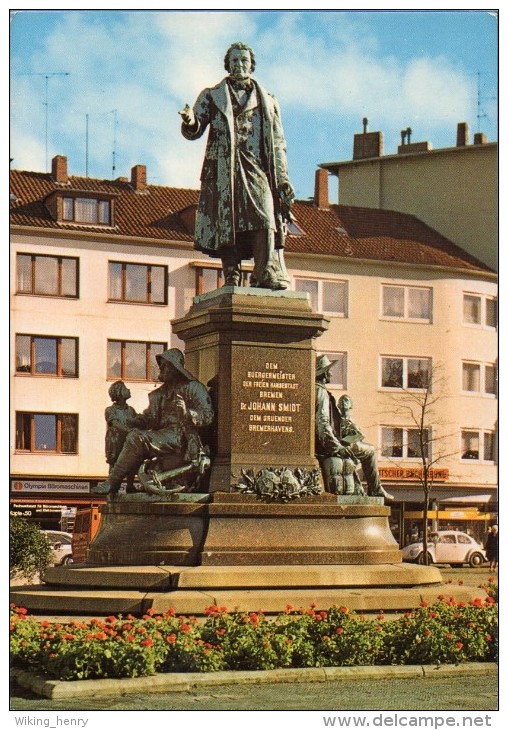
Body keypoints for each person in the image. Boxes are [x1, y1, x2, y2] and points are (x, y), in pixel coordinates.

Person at [180, 41, 294, 290]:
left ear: (251, 65)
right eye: (234, 61)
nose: (239, 65)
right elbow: (195, 128)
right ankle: (231, 273)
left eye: (244, 61)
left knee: (265, 220)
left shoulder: (269, 101)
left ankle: (264, 273)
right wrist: (190, 120)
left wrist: (283, 179)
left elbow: (278, 143)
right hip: (223, 168)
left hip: (256, 167)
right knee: (226, 220)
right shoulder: (212, 95)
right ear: (227, 65)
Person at [93, 349, 214, 497]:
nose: (161, 369)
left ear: (175, 368)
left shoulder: (194, 388)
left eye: (165, 366)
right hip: (164, 435)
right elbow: (149, 419)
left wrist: (187, 413)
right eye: (161, 366)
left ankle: (113, 482)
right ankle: (116, 482)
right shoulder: (159, 394)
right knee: (131, 435)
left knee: (136, 437)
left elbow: (208, 416)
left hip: (183, 436)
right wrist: (130, 420)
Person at [315, 354, 393, 501]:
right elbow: (322, 423)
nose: (331, 373)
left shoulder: (318, 390)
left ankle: (374, 489)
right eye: (329, 370)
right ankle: (375, 489)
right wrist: (337, 447)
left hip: (332, 442)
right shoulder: (321, 392)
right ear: (324, 373)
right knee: (369, 451)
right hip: (329, 446)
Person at [104, 381, 139, 493]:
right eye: (125, 388)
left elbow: (137, 422)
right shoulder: (110, 410)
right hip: (116, 440)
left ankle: (130, 485)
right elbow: (115, 423)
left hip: (128, 439)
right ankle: (113, 486)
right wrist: (129, 430)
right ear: (119, 393)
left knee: (132, 461)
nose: (128, 390)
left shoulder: (131, 410)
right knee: (115, 461)